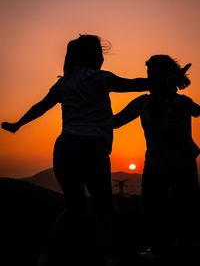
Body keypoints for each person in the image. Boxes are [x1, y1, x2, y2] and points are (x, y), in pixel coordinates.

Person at [1, 34, 150, 266]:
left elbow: (40, 107)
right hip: (91, 147)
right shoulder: (100, 78)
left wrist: (18, 124)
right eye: (100, 52)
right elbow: (134, 84)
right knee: (104, 210)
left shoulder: (64, 82)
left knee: (74, 207)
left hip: (64, 148)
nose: (102, 57)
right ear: (92, 56)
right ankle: (100, 257)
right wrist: (163, 81)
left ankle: (48, 255)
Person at [113, 55, 200, 265]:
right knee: (151, 215)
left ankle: (184, 253)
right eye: (148, 73)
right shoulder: (142, 102)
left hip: (183, 167)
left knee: (185, 214)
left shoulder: (183, 102)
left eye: (153, 73)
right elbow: (115, 122)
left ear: (166, 76)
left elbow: (197, 112)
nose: (149, 77)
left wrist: (170, 87)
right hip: (155, 167)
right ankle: (159, 253)